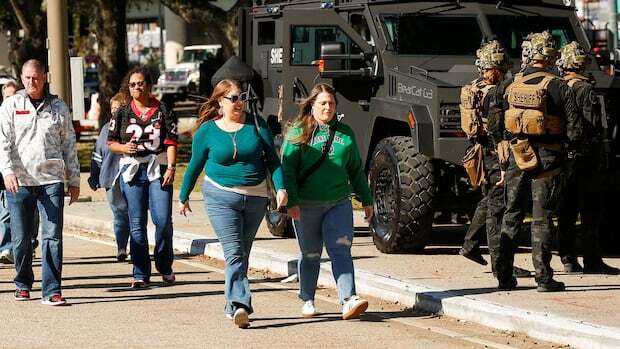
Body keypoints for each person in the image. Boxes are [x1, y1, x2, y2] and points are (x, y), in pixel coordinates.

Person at [179, 79, 287, 328]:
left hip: (256, 197)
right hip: (220, 196)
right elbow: (195, 164)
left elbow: (273, 160)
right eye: (233, 98)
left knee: (242, 253)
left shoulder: (257, 125)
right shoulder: (207, 130)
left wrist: (280, 188)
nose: (239, 103)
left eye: (241, 97)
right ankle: (241, 303)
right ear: (220, 102)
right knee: (234, 252)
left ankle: (230, 303)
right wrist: (183, 196)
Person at [493, 31, 583, 292]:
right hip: (548, 158)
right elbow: (575, 129)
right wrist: (570, 152)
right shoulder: (559, 85)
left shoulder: (511, 82)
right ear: (552, 54)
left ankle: (503, 276)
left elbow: (494, 119)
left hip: (517, 155)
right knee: (542, 218)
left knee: (511, 214)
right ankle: (543, 278)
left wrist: (505, 144)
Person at [281, 83, 373, 320]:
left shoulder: (345, 133)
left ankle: (348, 299)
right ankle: (307, 298)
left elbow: (355, 171)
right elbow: (288, 171)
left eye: (331, 103)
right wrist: (291, 202)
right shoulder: (298, 132)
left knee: (341, 249)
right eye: (322, 103)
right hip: (305, 206)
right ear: (312, 105)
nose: (327, 107)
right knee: (310, 254)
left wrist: (366, 199)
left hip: (338, 203)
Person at [0, 59, 80, 305]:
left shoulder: (58, 107)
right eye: (26, 78)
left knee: (53, 236)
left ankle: (52, 290)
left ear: (45, 77)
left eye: (36, 77)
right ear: (21, 78)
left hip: (51, 180)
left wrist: (74, 179)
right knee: (22, 239)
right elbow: (3, 142)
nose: (31, 82)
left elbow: (69, 144)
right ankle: (23, 283)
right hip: (20, 181)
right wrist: (7, 172)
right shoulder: (11, 105)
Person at [458, 41, 531, 278]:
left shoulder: (474, 88)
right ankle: (499, 264)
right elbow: (498, 131)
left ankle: (470, 245)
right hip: (493, 153)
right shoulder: (495, 93)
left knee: (489, 200)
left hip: (481, 151)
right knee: (497, 208)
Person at [107, 66, 178, 288]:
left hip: (159, 167)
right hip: (133, 169)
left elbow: (172, 141)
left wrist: (172, 167)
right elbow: (111, 143)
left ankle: (164, 265)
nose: (137, 87)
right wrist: (123, 147)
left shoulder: (163, 110)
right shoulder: (123, 113)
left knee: (163, 220)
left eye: (140, 83)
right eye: (133, 84)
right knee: (136, 223)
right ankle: (140, 273)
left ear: (149, 85)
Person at [555, 42, 620, 275]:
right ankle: (592, 259)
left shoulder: (558, 86)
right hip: (584, 157)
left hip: (562, 156)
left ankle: (568, 258)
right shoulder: (584, 89)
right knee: (590, 211)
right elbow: (591, 125)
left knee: (566, 210)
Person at [88, 92, 131, 262]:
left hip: (130, 176)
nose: (115, 112)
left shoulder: (133, 127)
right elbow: (98, 154)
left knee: (134, 214)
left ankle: (136, 247)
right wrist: (94, 175)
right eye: (112, 109)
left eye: (118, 109)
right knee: (119, 214)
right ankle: (121, 247)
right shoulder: (106, 129)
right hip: (111, 178)